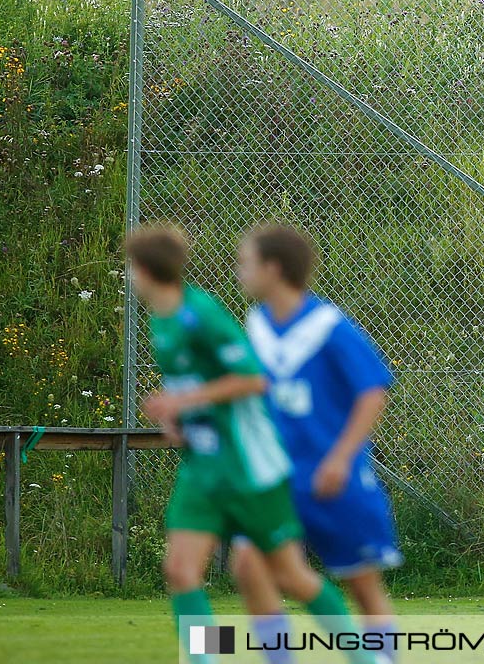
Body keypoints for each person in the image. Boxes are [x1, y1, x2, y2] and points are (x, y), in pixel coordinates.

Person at [125, 224, 371, 664]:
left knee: (291, 577)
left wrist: (184, 399)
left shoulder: (200, 313)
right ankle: (208, 659)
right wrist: (179, 418)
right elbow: (195, 385)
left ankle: (364, 657)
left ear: (144, 269)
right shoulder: (159, 319)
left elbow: (252, 379)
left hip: (248, 466)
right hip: (202, 468)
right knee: (181, 571)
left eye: (129, 266)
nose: (128, 275)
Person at [229, 224, 403, 664]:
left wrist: (341, 458)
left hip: (333, 478)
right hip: (277, 479)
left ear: (274, 268)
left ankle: (381, 660)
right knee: (249, 564)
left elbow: (373, 390)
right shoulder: (256, 327)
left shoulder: (328, 326)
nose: (238, 272)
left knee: (362, 585)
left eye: (245, 262)